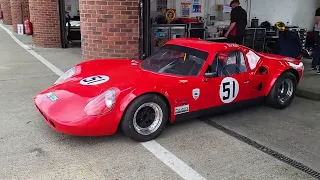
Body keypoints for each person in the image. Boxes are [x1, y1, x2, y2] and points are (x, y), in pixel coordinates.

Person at [311, 7, 320, 73]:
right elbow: (318, 23)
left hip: (317, 32)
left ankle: (314, 66)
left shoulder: (318, 10)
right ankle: (315, 67)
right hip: (318, 33)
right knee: (317, 50)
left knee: (317, 50)